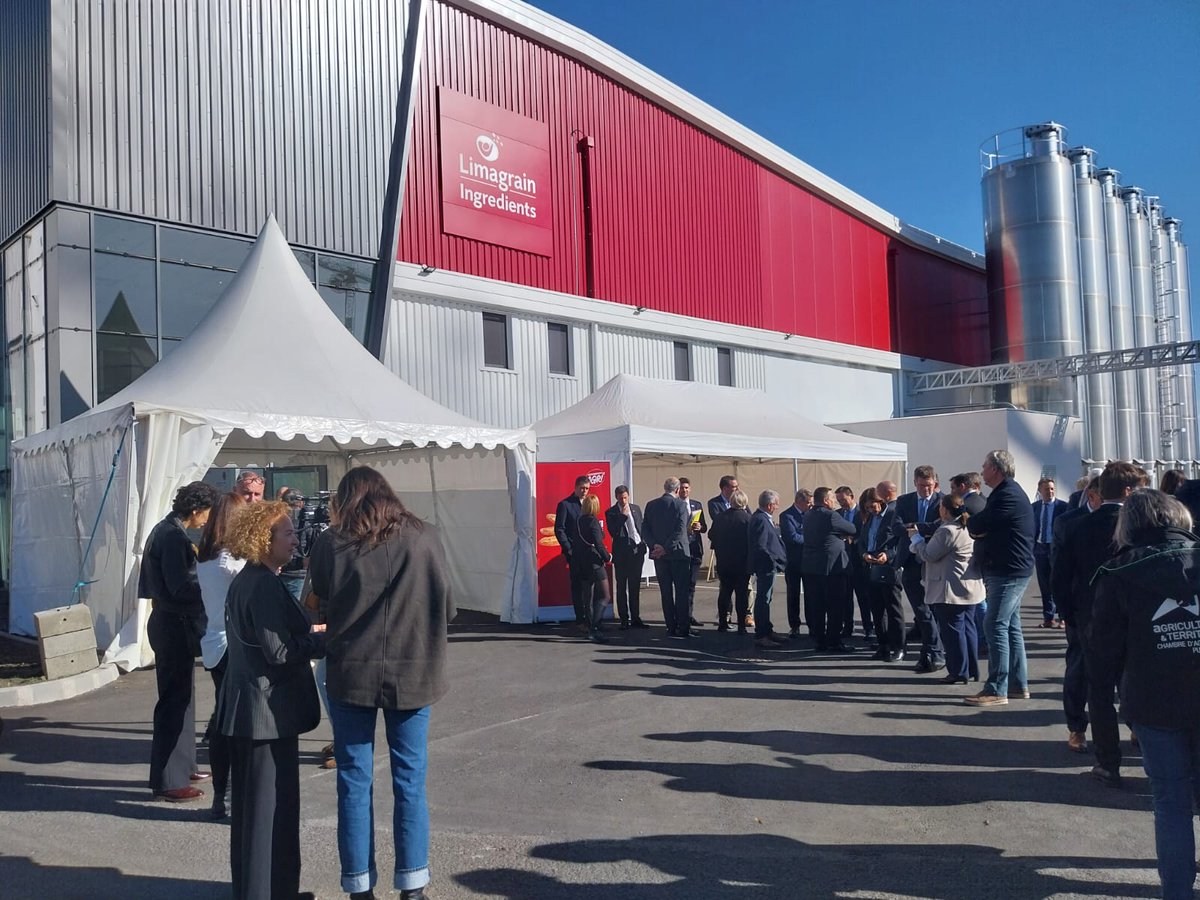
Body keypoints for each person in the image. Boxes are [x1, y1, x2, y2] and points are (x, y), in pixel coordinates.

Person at [307, 467, 454, 900]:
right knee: (410, 778)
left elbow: (315, 605)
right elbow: (446, 607)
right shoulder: (424, 535)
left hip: (351, 670)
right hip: (413, 670)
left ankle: (358, 888)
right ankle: (413, 884)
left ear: (347, 499)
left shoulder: (333, 544)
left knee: (354, 780)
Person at [1091, 490, 1200, 900]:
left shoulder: (1119, 573)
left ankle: (1177, 893)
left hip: (1154, 702)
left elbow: (1101, 654)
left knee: (1171, 803)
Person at [218, 500, 326, 900]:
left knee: (260, 811)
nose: (295, 537)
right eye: (287, 533)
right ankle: (266, 891)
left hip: (255, 709)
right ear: (264, 539)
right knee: (268, 812)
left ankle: (267, 889)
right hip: (265, 711)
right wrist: (322, 640)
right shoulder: (261, 584)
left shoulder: (251, 579)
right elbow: (278, 651)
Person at [1053, 461, 1149, 783]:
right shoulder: (1142, 528)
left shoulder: (1077, 526)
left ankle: (1107, 761)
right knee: (1137, 679)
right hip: (1135, 618)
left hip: (1090, 618)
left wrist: (1070, 615)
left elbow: (1060, 577)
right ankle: (1145, 742)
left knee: (1099, 690)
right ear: (1128, 492)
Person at [140, 480, 220, 802]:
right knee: (174, 703)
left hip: (171, 623)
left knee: (184, 700)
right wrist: (212, 582)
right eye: (208, 513)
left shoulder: (167, 529)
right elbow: (179, 587)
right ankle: (169, 781)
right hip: (173, 625)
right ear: (197, 510)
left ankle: (184, 765)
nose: (208, 520)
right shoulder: (173, 537)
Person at [964, 449, 1034, 707]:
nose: (981, 471)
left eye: (984, 466)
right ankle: (1017, 684)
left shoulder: (1007, 495)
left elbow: (976, 525)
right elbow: (979, 526)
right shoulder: (1004, 494)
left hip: (1008, 571)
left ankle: (997, 688)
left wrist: (976, 526)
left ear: (996, 469)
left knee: (994, 625)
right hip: (1009, 569)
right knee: (1010, 626)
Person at [196, 491, 247, 819]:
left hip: (216, 645)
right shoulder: (233, 563)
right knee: (232, 725)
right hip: (234, 647)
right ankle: (228, 796)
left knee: (223, 720)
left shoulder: (207, 560)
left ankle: (223, 795)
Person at [1051, 475, 1102, 754]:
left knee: (1124, 671)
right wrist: (1065, 610)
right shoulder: (1069, 522)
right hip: (1081, 608)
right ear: (1092, 496)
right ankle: (1077, 728)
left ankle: (1133, 724)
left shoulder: (1124, 520)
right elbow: (1060, 572)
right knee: (1078, 670)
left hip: (1117, 609)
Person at [909, 495, 984, 684]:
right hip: (969, 586)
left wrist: (916, 539)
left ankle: (958, 672)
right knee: (968, 628)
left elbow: (928, 554)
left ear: (945, 510)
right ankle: (971, 668)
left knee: (952, 632)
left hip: (950, 589)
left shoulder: (947, 531)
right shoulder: (967, 527)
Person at [894, 465, 946, 673]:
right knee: (921, 610)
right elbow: (896, 527)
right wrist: (921, 528)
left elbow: (939, 525)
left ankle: (932, 651)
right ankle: (933, 651)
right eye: (922, 485)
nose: (926, 489)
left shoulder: (943, 500)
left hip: (934, 560)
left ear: (935, 483)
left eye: (930, 485)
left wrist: (916, 528)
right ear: (915, 482)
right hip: (911, 562)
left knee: (933, 610)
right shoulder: (904, 501)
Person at [800, 487, 858, 652]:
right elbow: (852, 529)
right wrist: (841, 536)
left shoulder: (808, 514)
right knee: (835, 606)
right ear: (826, 500)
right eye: (833, 498)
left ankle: (820, 640)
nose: (835, 502)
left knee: (817, 606)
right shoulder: (831, 515)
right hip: (831, 568)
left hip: (812, 567)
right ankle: (834, 641)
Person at [643, 477, 693, 639]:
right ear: (677, 490)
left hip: (660, 556)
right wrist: (665, 548)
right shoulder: (680, 505)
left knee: (666, 592)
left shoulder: (651, 505)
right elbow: (680, 531)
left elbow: (645, 530)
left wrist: (655, 546)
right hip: (678, 554)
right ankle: (683, 628)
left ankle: (670, 627)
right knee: (681, 592)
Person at [859, 487, 905, 662]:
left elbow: (900, 541)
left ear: (881, 502)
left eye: (874, 506)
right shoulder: (869, 519)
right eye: (868, 507)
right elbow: (862, 541)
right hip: (871, 568)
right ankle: (883, 645)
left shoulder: (893, 515)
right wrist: (864, 554)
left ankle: (899, 646)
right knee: (877, 610)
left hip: (888, 567)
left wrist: (889, 555)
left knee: (893, 609)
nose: (872, 510)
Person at [708, 490, 753, 632]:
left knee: (725, 593)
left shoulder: (720, 517)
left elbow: (711, 535)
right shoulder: (748, 519)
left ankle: (723, 622)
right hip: (742, 562)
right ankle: (741, 625)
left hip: (724, 561)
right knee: (741, 594)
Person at [748, 490, 788, 648]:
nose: (777, 507)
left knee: (766, 598)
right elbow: (761, 545)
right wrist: (773, 560)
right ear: (770, 505)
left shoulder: (763, 518)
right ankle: (761, 634)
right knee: (763, 599)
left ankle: (767, 630)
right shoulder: (761, 520)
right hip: (765, 566)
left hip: (767, 565)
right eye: (776, 504)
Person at [605, 486, 648, 629]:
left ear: (628, 496)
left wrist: (644, 543)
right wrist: (622, 516)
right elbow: (613, 532)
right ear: (616, 497)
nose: (623, 500)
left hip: (637, 550)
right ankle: (624, 619)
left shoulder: (636, 508)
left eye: (625, 497)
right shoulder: (611, 512)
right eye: (620, 498)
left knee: (634, 586)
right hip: (622, 553)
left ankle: (636, 617)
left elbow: (641, 527)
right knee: (622, 586)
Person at [1031, 477, 1069, 628]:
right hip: (1040, 548)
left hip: (1056, 549)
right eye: (1047, 489)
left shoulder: (1063, 507)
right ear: (1040, 491)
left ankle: (1063, 617)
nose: (1050, 491)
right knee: (1044, 584)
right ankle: (1048, 618)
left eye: (1052, 488)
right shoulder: (1034, 507)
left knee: (1059, 583)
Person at [554, 475, 591, 628]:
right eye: (582, 488)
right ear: (575, 487)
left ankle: (591, 619)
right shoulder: (565, 504)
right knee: (577, 587)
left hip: (588, 552)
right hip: (574, 553)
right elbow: (559, 529)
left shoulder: (589, 503)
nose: (584, 491)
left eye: (587, 488)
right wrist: (568, 549)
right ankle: (580, 620)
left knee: (589, 587)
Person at [576, 493, 613, 643]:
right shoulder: (593, 522)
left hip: (582, 562)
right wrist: (608, 557)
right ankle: (595, 628)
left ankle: (590, 626)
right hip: (594, 562)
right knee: (605, 596)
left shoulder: (579, 521)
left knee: (588, 597)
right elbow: (599, 544)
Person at [835, 486, 869, 641]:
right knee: (845, 597)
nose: (841, 503)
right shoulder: (837, 514)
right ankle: (847, 627)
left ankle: (868, 628)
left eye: (844, 499)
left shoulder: (863, 513)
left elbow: (865, 535)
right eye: (839, 500)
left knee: (863, 597)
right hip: (842, 562)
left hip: (859, 561)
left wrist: (853, 540)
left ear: (852, 496)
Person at [780, 489, 811, 639]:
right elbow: (792, 537)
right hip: (793, 561)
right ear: (800, 501)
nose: (811, 505)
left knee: (811, 594)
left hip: (809, 561)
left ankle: (812, 623)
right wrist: (811, 539)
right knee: (793, 594)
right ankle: (794, 625)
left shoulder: (811, 514)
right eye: (808, 503)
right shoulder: (787, 515)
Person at [678, 477, 708, 627]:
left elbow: (705, 527)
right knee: (681, 584)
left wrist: (699, 526)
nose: (684, 490)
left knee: (692, 584)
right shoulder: (675, 505)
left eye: (687, 488)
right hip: (681, 549)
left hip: (695, 548)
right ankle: (681, 616)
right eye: (682, 488)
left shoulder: (696, 504)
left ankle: (689, 615)